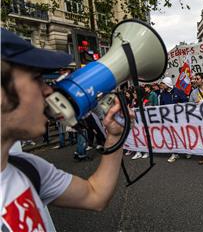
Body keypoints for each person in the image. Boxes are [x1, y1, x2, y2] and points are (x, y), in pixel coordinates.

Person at [1, 29, 133, 231]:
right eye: (37, 79)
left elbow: (95, 195)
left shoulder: (29, 169)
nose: (48, 90)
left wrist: (114, 136)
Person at [159, 77, 188, 163]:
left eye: (163, 83)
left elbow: (185, 102)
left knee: (182, 135)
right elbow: (161, 106)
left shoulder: (178, 91)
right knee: (171, 136)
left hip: (179, 118)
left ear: (167, 83)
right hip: (169, 119)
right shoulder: (162, 94)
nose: (161, 85)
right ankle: (175, 153)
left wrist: (179, 105)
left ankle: (186, 151)